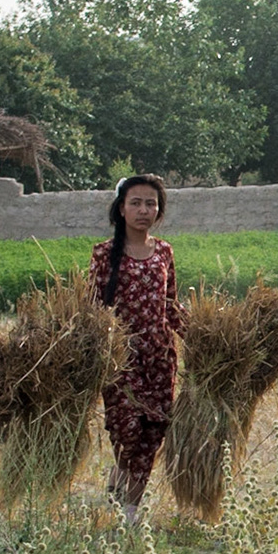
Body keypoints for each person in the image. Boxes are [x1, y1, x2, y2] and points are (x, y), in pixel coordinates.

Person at [88, 175, 181, 524]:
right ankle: (119, 477)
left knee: (152, 434)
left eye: (151, 204)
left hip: (159, 359)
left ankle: (130, 511)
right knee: (125, 429)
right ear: (121, 209)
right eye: (136, 203)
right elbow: (92, 307)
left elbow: (171, 306)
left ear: (158, 211)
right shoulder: (102, 254)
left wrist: (202, 336)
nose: (144, 210)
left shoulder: (165, 252)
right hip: (121, 360)